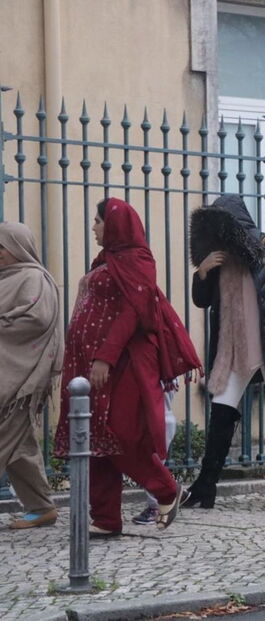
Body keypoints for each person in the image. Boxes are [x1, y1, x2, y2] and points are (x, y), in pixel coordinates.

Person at [53, 198, 201, 536]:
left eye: (98, 221)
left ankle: (167, 491)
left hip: (123, 363)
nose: (93, 227)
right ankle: (105, 518)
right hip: (92, 366)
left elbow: (132, 313)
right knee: (97, 438)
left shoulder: (138, 260)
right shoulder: (106, 260)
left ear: (116, 224)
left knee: (120, 433)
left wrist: (105, 354)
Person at [182, 194, 265, 511]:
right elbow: (203, 302)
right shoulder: (219, 259)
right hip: (234, 347)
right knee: (221, 411)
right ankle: (206, 486)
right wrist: (201, 273)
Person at [0, 222, 63, 529]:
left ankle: (40, 507)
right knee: (20, 447)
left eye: (2, 246)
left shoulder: (34, 277)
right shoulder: (8, 278)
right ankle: (41, 507)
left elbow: (37, 319)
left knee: (6, 440)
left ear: (18, 247)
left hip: (19, 380)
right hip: (8, 377)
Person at [131, 389, 178, 525]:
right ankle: (166, 499)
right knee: (153, 462)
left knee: (152, 463)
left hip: (157, 418)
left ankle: (156, 506)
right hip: (161, 417)